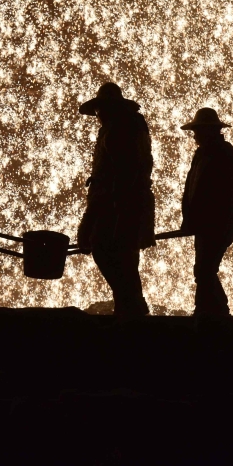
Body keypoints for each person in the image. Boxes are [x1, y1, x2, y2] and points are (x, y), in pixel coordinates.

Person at [77, 83, 155, 318]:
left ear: (107, 109)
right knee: (127, 261)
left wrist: (89, 221)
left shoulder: (117, 131)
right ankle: (132, 310)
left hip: (116, 207)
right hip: (132, 204)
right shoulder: (134, 128)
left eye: (99, 111)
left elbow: (117, 176)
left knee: (104, 250)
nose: (98, 116)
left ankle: (130, 310)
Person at [180, 108, 233, 316]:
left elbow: (225, 196)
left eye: (198, 131)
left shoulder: (226, 156)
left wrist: (218, 223)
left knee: (204, 269)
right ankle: (208, 310)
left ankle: (214, 312)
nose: (195, 136)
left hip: (218, 225)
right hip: (204, 224)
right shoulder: (203, 154)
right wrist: (189, 219)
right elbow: (192, 190)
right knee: (204, 269)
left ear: (210, 131)